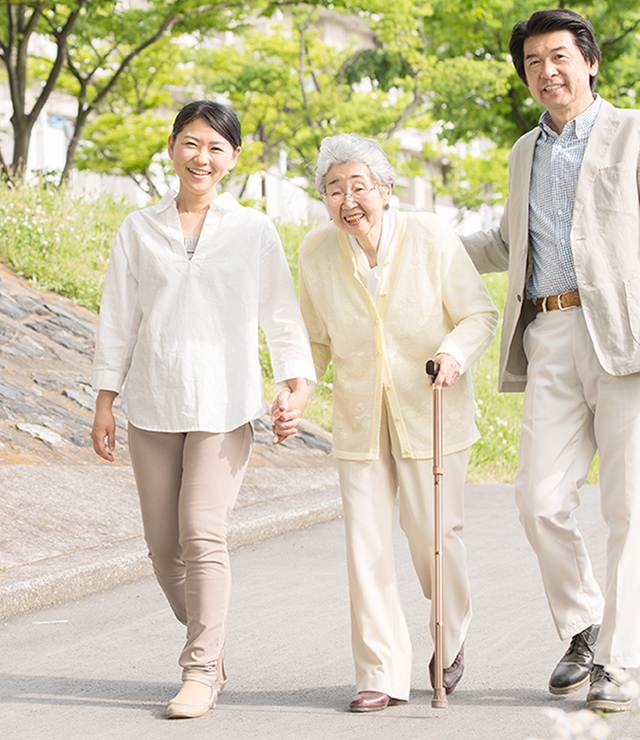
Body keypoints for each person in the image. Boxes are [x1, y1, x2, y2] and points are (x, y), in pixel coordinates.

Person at [91, 100, 315, 719]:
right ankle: (212, 647)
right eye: (192, 144)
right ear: (172, 148)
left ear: (233, 159)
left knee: (201, 531)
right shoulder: (138, 228)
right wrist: (105, 399)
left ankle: (198, 671)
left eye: (216, 148)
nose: (202, 157)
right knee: (163, 547)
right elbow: (119, 318)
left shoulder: (254, 231)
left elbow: (280, 314)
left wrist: (295, 383)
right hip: (153, 403)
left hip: (223, 404)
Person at [274, 133, 497, 711]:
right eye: (333, 188)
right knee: (365, 544)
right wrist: (296, 391)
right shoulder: (317, 250)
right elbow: (314, 341)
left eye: (358, 186)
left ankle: (449, 634)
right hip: (358, 416)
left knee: (433, 537)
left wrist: (453, 351)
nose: (348, 199)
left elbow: (479, 313)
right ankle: (380, 673)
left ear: (385, 190)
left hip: (431, 407)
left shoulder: (430, 236)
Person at [462, 8, 640, 713]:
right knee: (537, 499)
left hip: (627, 336)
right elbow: (506, 244)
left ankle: (618, 666)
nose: (547, 71)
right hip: (551, 333)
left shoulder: (632, 134)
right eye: (534, 62)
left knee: (629, 508)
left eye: (559, 56)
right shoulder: (522, 152)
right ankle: (584, 627)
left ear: (590, 61)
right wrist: (408, 235)